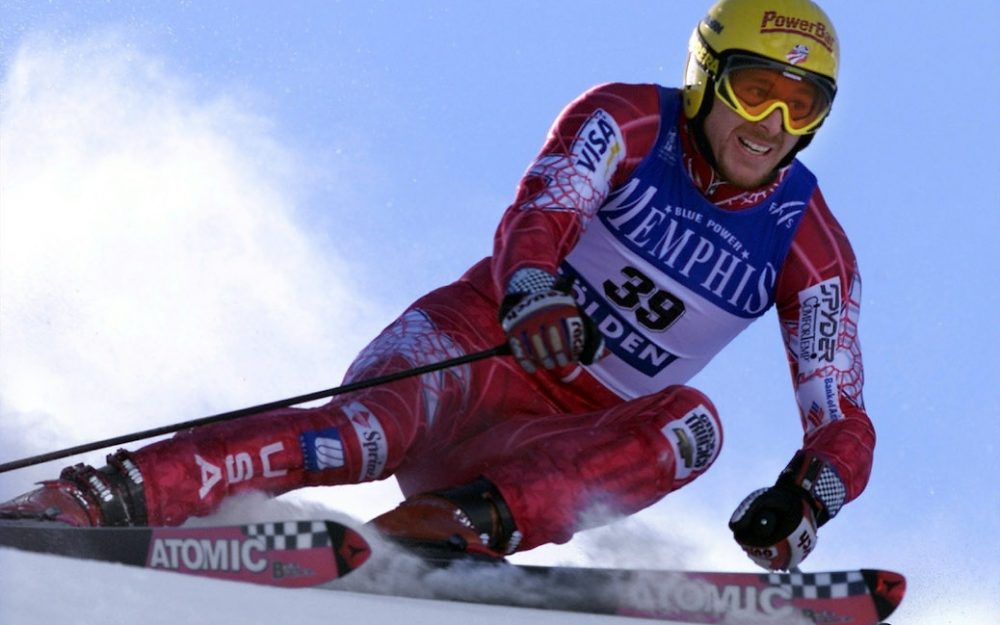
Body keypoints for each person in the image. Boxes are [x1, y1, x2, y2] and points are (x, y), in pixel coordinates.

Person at [0, 0, 873, 572]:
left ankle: (455, 526)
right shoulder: (630, 119)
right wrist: (534, 290)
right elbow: (543, 206)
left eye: (805, 107)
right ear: (706, 76)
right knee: (357, 435)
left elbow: (842, 415)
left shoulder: (810, 240)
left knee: (695, 425)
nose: (773, 126)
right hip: (477, 350)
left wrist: (810, 496)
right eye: (759, 92)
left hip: (554, 444)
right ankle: (99, 496)